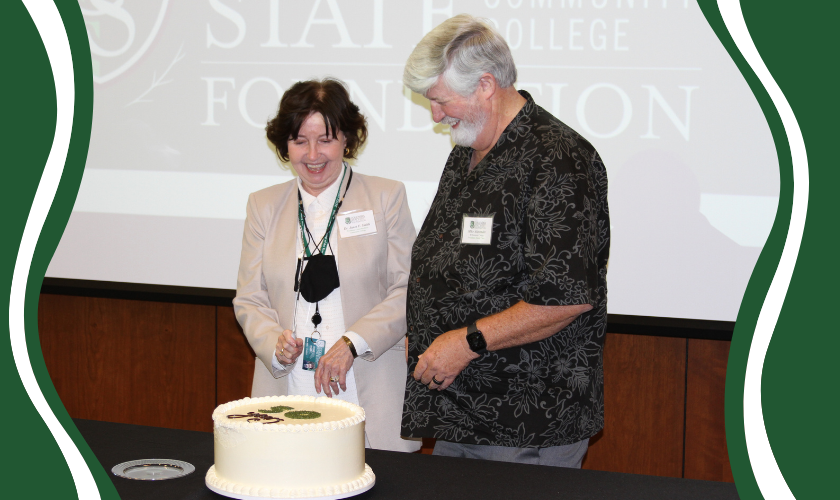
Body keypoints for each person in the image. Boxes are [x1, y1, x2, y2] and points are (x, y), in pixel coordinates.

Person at [399, 15, 611, 468]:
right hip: (464, 410)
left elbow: (564, 297)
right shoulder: (467, 152)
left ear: (486, 84)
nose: (436, 116)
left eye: (439, 101)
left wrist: (464, 343)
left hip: (526, 417)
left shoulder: (559, 159)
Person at [233, 78, 420, 452]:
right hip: (289, 384)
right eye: (299, 140)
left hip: (368, 381)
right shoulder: (263, 206)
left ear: (347, 140)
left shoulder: (386, 197)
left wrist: (352, 343)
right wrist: (274, 342)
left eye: (326, 139)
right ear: (284, 145)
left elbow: (408, 289)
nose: (312, 154)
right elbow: (250, 299)